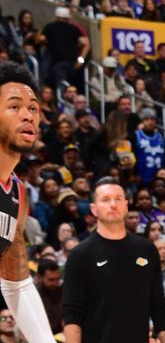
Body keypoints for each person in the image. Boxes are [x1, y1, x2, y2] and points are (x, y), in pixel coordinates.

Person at [62, 177, 165, 342]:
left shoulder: (147, 249)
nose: (113, 204)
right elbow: (72, 313)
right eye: (105, 200)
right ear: (94, 209)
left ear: (126, 205)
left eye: (118, 199)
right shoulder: (80, 255)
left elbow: (158, 304)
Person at [0, 62, 55, 343]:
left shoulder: (17, 194)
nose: (28, 115)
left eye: (33, 108)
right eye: (14, 106)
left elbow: (17, 284)